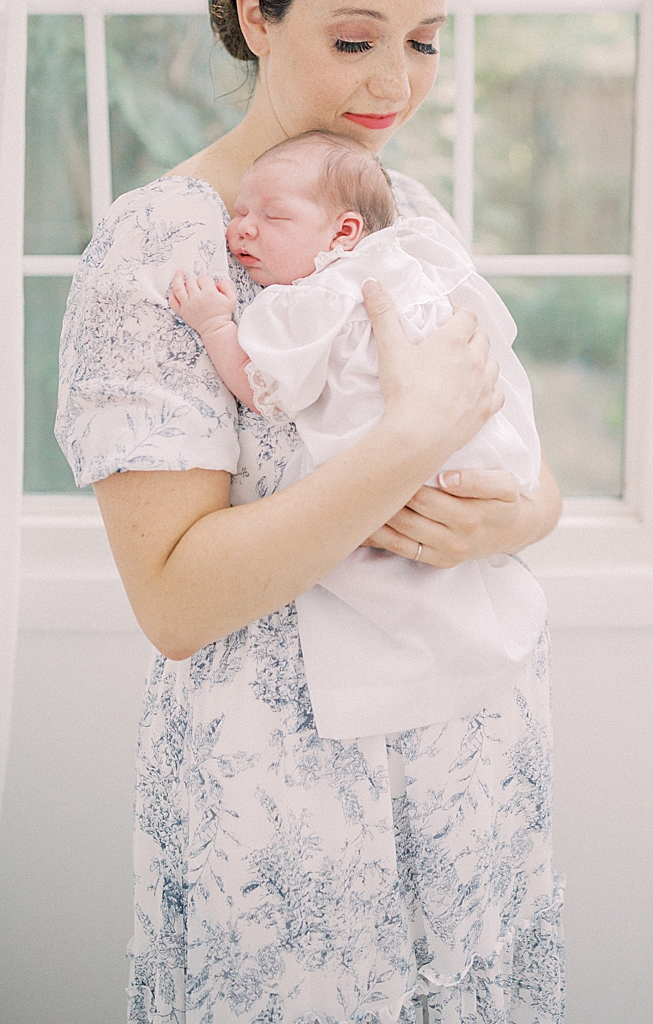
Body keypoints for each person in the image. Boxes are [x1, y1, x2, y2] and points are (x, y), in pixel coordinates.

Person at [55, 0, 565, 1024]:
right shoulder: (163, 248)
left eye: (425, 42)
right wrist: (405, 442)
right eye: (353, 38)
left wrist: (514, 514)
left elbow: (529, 476)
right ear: (253, 13)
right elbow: (174, 599)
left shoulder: (409, 210)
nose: (394, 82)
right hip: (285, 802)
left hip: (462, 761)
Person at [168, 129, 549, 741]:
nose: (241, 229)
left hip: (403, 484)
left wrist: (215, 323)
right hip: (478, 467)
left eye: (272, 216)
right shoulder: (418, 262)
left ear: (343, 234)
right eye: (239, 213)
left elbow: (259, 389)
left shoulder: (312, 301)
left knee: (369, 594)